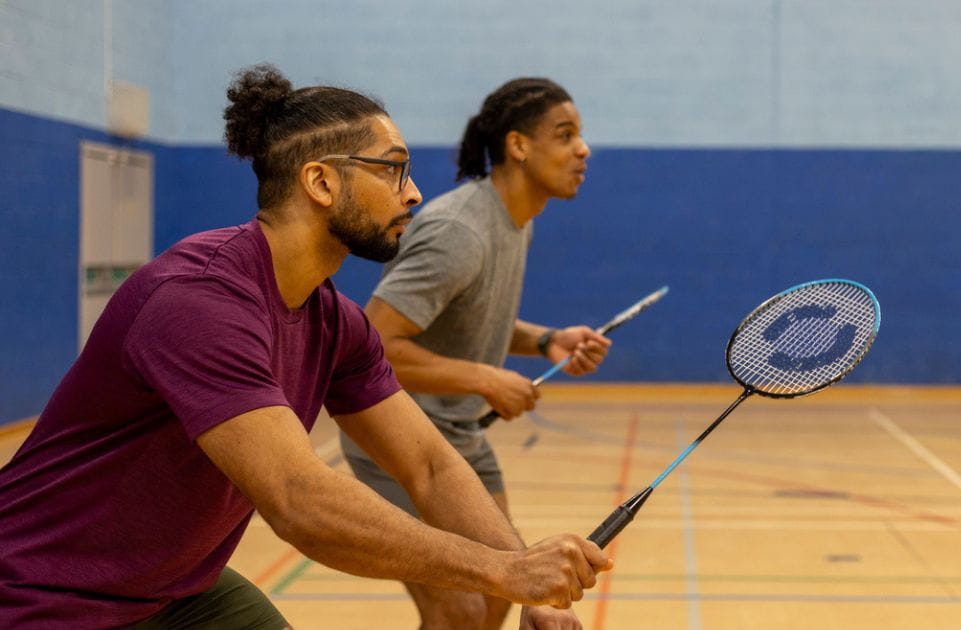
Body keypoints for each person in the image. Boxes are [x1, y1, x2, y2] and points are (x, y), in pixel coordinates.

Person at [0, 65, 609, 630]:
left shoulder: (334, 321)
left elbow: (429, 463)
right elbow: (301, 502)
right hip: (46, 595)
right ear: (320, 180)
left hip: (174, 590)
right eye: (392, 168)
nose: (414, 192)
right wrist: (502, 571)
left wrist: (524, 573)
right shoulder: (200, 301)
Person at [339, 77, 611, 630]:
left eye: (580, 136)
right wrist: (486, 379)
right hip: (395, 436)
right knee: (457, 610)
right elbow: (374, 344)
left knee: (498, 596)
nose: (583, 149)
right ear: (518, 146)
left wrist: (543, 340)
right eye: (565, 135)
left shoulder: (514, 221)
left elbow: (465, 311)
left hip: (458, 435)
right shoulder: (459, 229)